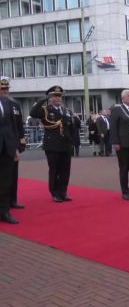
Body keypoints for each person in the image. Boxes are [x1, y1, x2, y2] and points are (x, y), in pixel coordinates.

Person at [30, 85, 76, 202]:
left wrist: (72, 141)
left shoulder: (67, 111)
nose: (58, 99)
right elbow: (33, 112)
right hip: (52, 145)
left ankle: (63, 192)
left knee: (65, 170)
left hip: (65, 145)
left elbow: (71, 127)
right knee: (54, 170)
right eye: (55, 96)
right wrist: (43, 99)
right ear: (50, 98)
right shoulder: (45, 110)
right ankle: (55, 192)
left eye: (60, 96)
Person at [0, 77, 26, 209]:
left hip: (11, 144)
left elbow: (18, 126)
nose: (5, 91)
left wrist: (20, 144)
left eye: (6, 89)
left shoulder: (14, 105)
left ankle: (12, 200)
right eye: (2, 89)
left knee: (12, 174)